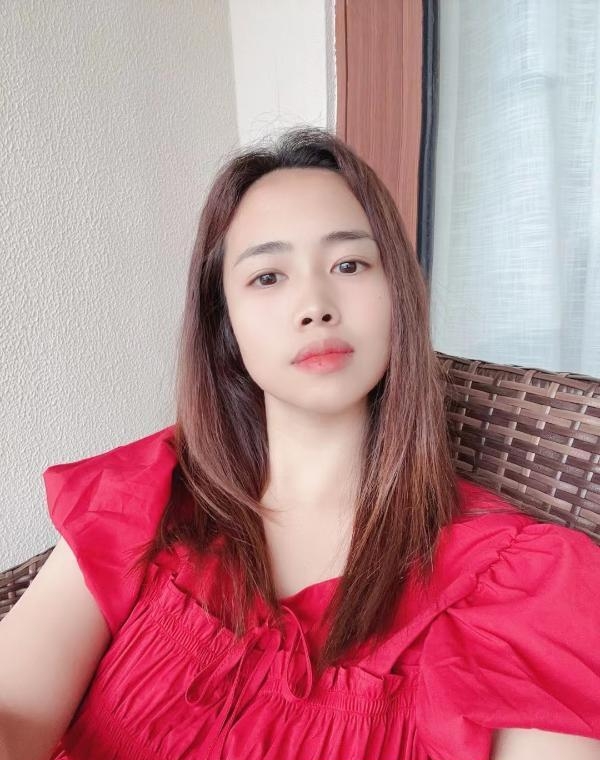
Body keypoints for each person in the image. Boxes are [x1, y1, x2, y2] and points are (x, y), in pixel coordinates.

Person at [1, 127, 600, 760]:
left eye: (349, 265)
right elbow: (15, 709)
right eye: (267, 276)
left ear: (398, 294)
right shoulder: (143, 493)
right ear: (224, 324)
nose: (315, 305)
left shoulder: (531, 584)